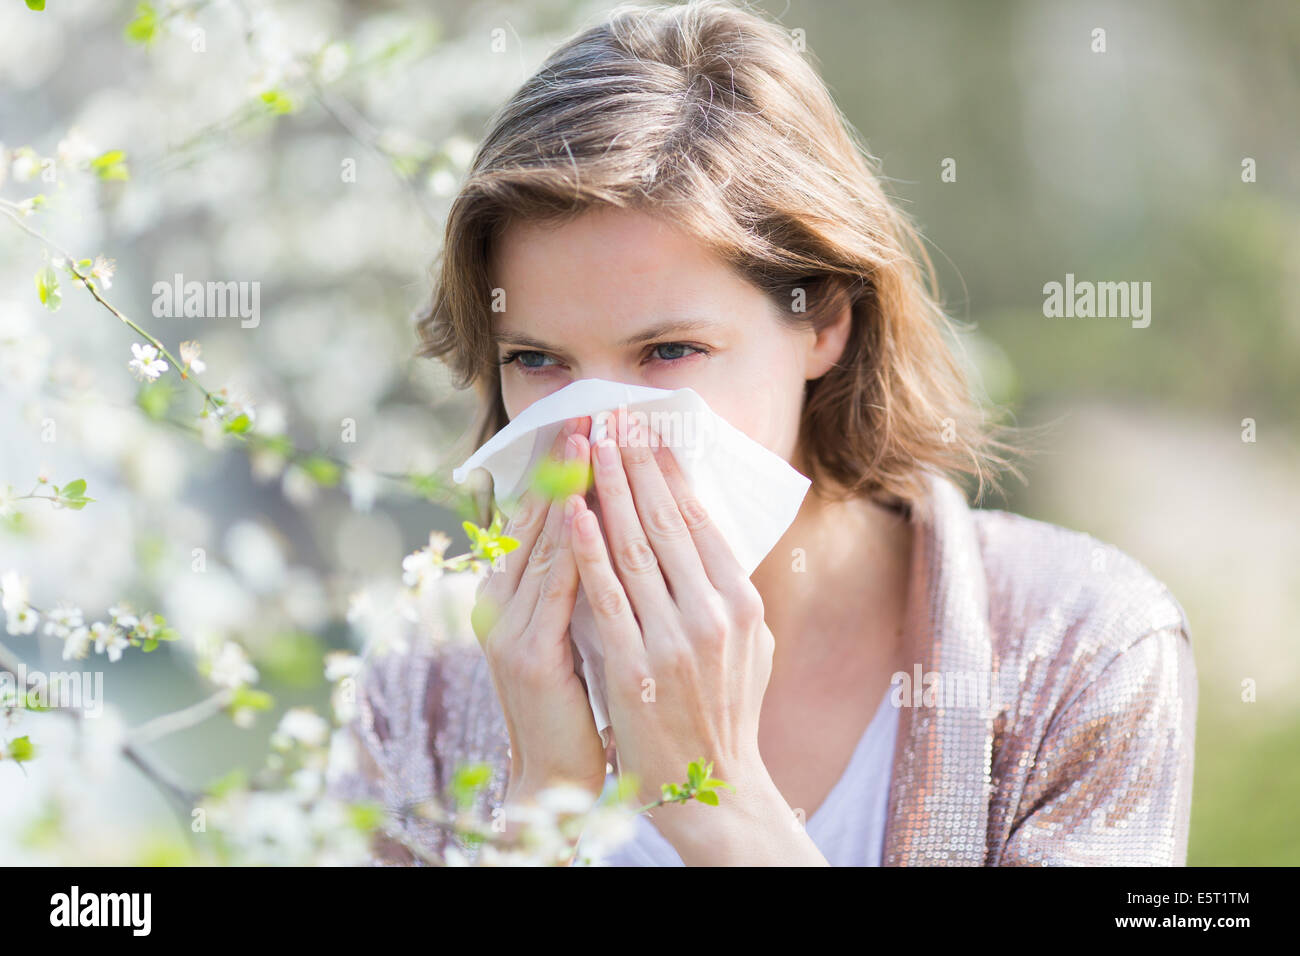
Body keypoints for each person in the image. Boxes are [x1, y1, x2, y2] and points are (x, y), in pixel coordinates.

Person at [327, 0, 1197, 866]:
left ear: (823, 320)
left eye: (669, 350)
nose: (591, 431)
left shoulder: (1080, 649)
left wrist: (723, 805)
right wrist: (542, 812)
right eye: (539, 360)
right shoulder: (425, 685)